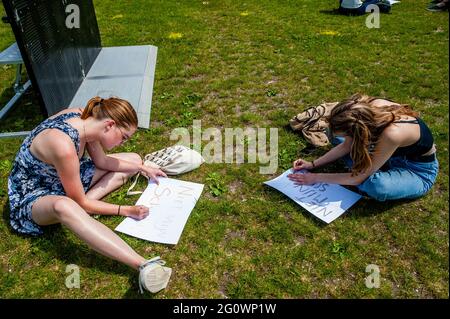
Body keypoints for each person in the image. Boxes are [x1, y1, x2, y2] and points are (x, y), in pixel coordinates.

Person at [7, 96, 172, 293]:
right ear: (110, 125)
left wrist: (142, 167)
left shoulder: (85, 118)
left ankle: (80, 212)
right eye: (124, 137)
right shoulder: (63, 145)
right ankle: (143, 265)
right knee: (65, 206)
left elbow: (102, 162)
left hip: (61, 178)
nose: (122, 143)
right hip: (32, 195)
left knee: (133, 159)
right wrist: (124, 210)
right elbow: (80, 200)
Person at [288, 94, 439, 202]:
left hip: (416, 170)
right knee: (337, 138)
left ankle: (375, 173)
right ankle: (372, 169)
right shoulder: (362, 111)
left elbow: (359, 177)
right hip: (386, 155)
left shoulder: (392, 134)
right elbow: (347, 144)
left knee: (375, 186)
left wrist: (315, 177)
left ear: (359, 130)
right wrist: (312, 165)